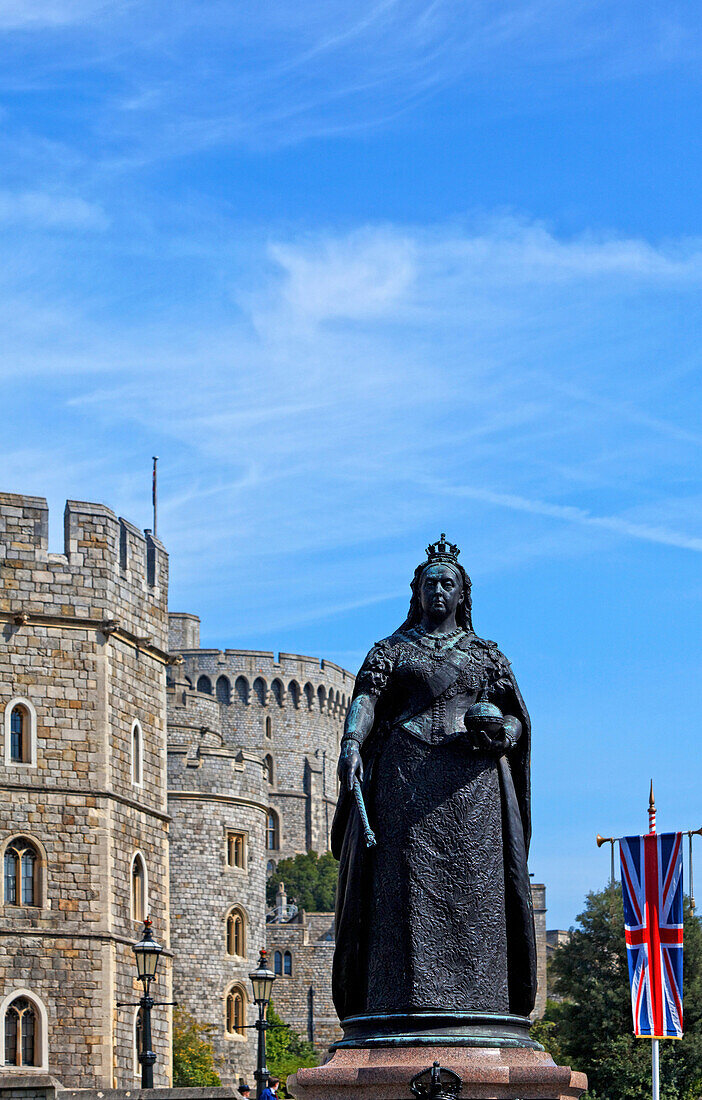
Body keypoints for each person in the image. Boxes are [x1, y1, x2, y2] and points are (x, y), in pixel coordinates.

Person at [332, 535, 537, 1029]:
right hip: (404, 779)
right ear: (416, 593)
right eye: (430, 584)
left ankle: (480, 1003)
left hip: (472, 785)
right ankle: (395, 1000)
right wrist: (352, 743)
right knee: (400, 891)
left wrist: (501, 733)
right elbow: (366, 701)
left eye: (448, 584)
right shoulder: (391, 651)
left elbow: (517, 722)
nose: (439, 591)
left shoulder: (486, 656)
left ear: (463, 594)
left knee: (475, 891)